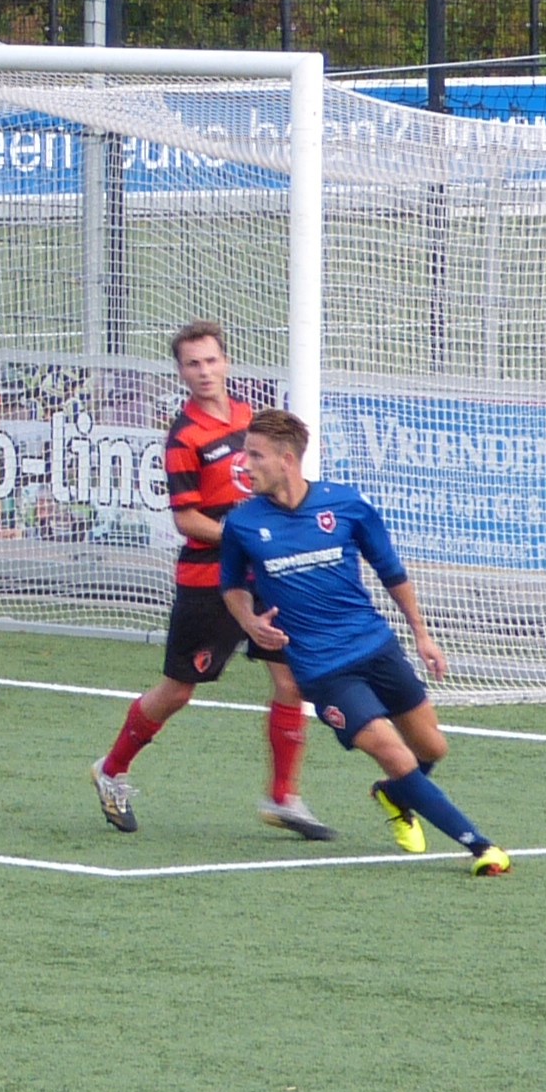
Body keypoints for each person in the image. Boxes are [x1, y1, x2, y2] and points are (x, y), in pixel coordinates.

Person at [219, 410, 509, 874]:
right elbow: (231, 586)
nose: (245, 465)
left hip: (375, 646)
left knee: (432, 749)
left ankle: (394, 795)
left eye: (255, 456)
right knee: (394, 752)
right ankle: (480, 846)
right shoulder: (243, 524)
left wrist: (422, 635)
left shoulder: (346, 505)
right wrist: (250, 622)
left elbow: (391, 571)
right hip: (323, 670)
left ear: (287, 459)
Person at [90, 322, 334, 841]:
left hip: (267, 577)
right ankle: (111, 770)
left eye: (210, 361)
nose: (203, 372)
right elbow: (188, 521)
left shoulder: (253, 420)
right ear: (180, 372)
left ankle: (283, 797)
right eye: (192, 364)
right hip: (211, 582)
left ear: (226, 362)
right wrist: (246, 535)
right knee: (179, 689)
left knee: (291, 681)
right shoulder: (184, 436)